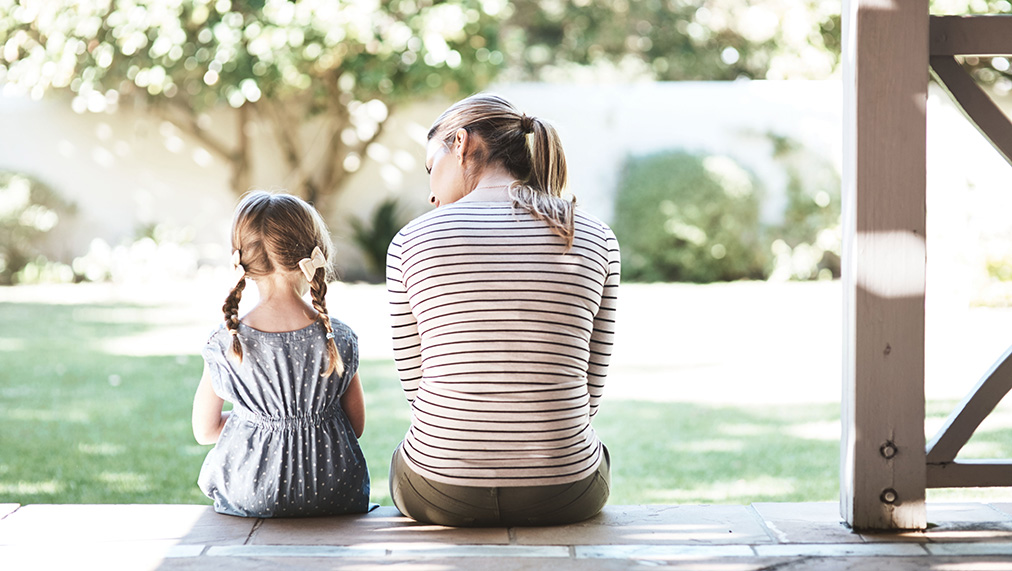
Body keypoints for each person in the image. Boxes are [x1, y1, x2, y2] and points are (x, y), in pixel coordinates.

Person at [386, 94, 620, 527]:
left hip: (440, 490)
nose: (431, 192)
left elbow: (417, 388)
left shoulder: (411, 241)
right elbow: (590, 389)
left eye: (429, 168)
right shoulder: (594, 235)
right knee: (595, 452)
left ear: (459, 143)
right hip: (565, 490)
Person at [192, 191, 371, 517]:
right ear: (316, 255)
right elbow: (355, 425)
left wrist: (258, 419)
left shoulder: (226, 341)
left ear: (242, 262)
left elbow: (204, 431)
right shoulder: (339, 337)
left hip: (251, 493)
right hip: (333, 492)